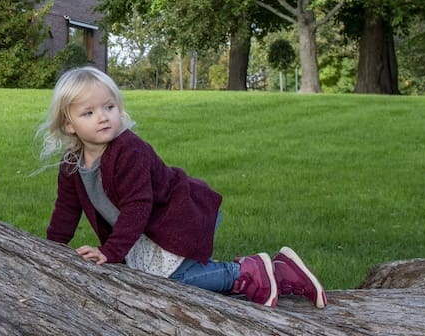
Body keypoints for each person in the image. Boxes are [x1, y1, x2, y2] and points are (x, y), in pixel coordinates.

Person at [40, 66, 326, 308]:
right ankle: (281, 272)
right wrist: (51, 248)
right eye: (88, 113)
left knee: (171, 283)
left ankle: (246, 272)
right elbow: (67, 208)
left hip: (181, 216)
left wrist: (111, 251)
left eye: (109, 107)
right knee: (158, 281)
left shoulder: (128, 151)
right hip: (150, 230)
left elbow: (137, 205)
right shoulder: (72, 163)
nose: (103, 117)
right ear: (69, 125)